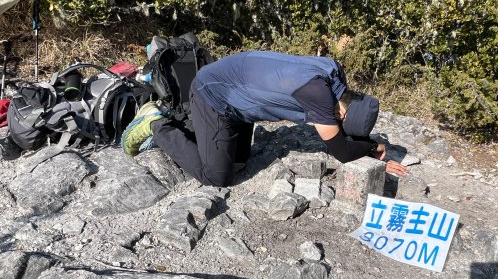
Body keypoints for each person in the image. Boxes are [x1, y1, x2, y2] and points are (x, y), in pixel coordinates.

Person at [122, 50, 408, 187]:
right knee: (218, 176)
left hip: (239, 96)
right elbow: (342, 152)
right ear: (341, 111)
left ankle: (191, 126)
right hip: (215, 94)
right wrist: (372, 147)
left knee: (240, 161)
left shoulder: (334, 77)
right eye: (341, 122)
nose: (337, 125)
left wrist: (369, 145)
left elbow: (342, 137)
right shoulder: (320, 98)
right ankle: (157, 124)